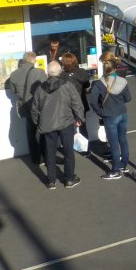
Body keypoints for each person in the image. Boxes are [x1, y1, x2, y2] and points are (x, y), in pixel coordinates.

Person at [31, 61, 85, 189]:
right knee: (68, 152)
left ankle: (51, 181)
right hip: (65, 122)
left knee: (50, 152)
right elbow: (77, 103)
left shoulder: (40, 89)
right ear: (60, 71)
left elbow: (34, 109)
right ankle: (69, 179)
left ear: (47, 73)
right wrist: (79, 118)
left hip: (47, 125)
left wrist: (38, 123)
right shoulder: (67, 85)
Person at [90, 57, 131, 180]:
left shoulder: (98, 83)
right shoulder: (123, 81)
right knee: (123, 139)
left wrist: (100, 112)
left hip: (109, 115)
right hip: (122, 113)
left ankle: (115, 170)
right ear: (115, 68)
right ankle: (124, 164)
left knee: (113, 143)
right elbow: (128, 98)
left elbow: (93, 101)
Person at [6, 51, 48, 164]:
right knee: (43, 131)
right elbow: (46, 89)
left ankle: (35, 158)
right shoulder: (39, 72)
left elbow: (14, 91)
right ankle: (46, 156)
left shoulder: (14, 74)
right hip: (39, 106)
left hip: (25, 106)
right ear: (34, 60)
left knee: (30, 132)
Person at [59, 53, 91, 140]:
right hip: (81, 103)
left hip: (68, 106)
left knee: (69, 128)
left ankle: (70, 147)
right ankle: (86, 149)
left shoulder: (61, 76)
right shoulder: (82, 72)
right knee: (83, 126)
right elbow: (87, 85)